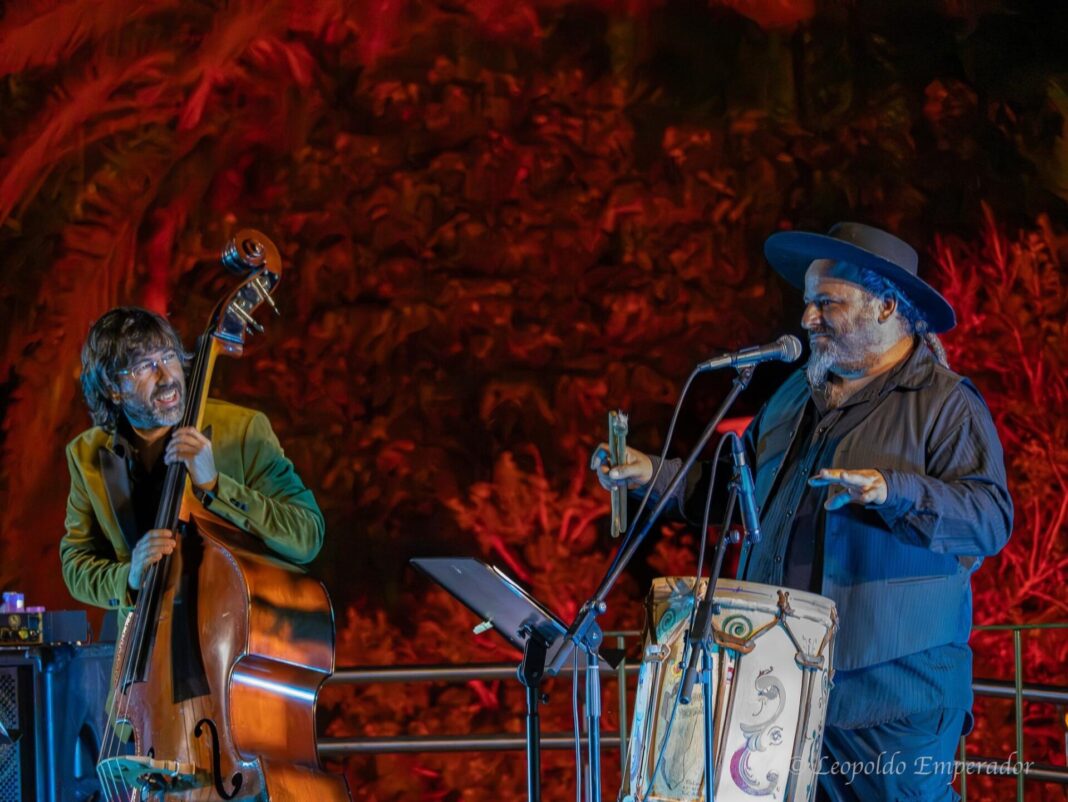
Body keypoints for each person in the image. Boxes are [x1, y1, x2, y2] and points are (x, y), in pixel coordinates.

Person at [594, 223, 1013, 801]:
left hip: (893, 701)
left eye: (826, 304)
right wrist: (650, 474)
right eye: (808, 304)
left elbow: (990, 519)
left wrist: (892, 492)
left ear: (886, 305)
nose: (807, 320)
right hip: (785, 687)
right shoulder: (794, 396)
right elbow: (727, 493)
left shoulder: (945, 403)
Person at [61, 306, 325, 619]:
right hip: (142, 649)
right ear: (113, 390)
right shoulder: (85, 454)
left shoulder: (244, 430)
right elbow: (76, 563)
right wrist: (129, 578)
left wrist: (215, 486)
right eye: (145, 366)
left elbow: (306, 535)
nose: (167, 377)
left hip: (230, 634)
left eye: (169, 356)